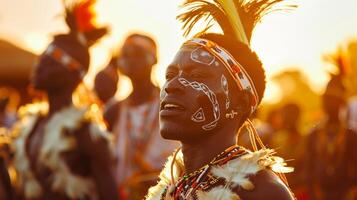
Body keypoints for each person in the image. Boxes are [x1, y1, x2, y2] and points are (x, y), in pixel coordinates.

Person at [146, 0, 295, 199]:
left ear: (240, 104)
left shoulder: (263, 192)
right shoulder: (168, 190)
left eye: (197, 75)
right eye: (170, 75)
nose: (172, 85)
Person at [11, 1, 118, 199]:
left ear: (73, 74)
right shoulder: (30, 128)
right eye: (40, 59)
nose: (38, 67)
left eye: (49, 61)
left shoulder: (86, 133)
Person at [95, 34, 179, 200]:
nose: (130, 58)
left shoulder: (173, 105)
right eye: (125, 53)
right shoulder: (113, 112)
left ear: (153, 59)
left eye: (137, 53)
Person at [306, 75, 357, 200]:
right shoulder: (313, 134)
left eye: (331, 99)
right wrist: (314, 192)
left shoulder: (351, 134)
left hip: (345, 195)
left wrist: (351, 192)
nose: (326, 103)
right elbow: (309, 169)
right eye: (325, 99)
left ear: (341, 103)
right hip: (319, 195)